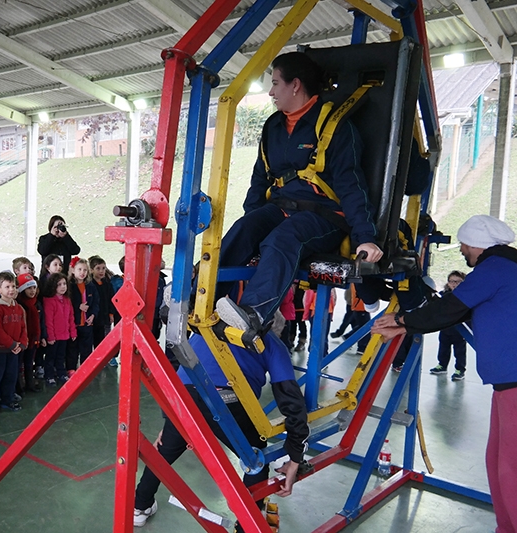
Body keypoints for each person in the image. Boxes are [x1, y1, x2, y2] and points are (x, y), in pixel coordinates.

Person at [213, 52, 382, 351]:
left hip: (325, 215)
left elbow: (351, 185)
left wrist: (365, 238)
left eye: (276, 83)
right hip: (280, 208)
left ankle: (253, 314)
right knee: (243, 229)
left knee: (283, 239)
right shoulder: (272, 128)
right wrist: (254, 225)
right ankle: (201, 298)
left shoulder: (334, 127)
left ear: (295, 85)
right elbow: (259, 180)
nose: (271, 91)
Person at [372, 214, 517, 533]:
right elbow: (455, 310)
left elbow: (451, 307)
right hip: (506, 382)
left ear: (478, 244)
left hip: (514, 381)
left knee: (511, 467)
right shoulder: (505, 268)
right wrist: (405, 322)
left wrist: (402, 322)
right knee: (497, 460)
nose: (463, 251)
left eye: (465, 245)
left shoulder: (494, 268)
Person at [132, 332, 309, 529]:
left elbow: (179, 372)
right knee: (256, 456)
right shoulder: (271, 340)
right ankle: (248, 525)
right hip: (227, 398)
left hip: (184, 396)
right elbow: (290, 399)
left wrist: (170, 418)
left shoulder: (205, 323)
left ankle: (140, 506)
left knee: (166, 450)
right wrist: (295, 455)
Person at [0, 271, 27, 418]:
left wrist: (22, 344)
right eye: (7, 286)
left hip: (13, 351)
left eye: (13, 286)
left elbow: (22, 327)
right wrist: (12, 344)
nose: (11, 290)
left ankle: (7, 400)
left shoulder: (18, 308)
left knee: (10, 376)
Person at [429, 271, 468, 381]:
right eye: (452, 281)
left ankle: (460, 370)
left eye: (458, 282)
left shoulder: (466, 296)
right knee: (443, 348)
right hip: (445, 328)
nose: (454, 284)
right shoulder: (443, 295)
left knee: (459, 351)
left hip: (460, 330)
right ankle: (442, 365)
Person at [42, 272, 76, 387]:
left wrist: (73, 331)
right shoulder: (49, 301)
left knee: (61, 356)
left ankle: (61, 373)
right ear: (53, 286)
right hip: (54, 337)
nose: (63, 287)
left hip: (64, 335)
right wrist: (50, 336)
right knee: (50, 357)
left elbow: (71, 317)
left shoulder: (67, 300)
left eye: (64, 284)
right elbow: (49, 321)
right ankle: (49, 375)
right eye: (59, 284)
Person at [66, 257, 98, 375]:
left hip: (87, 323)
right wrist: (78, 306)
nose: (82, 272)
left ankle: (86, 369)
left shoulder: (90, 286)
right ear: (73, 270)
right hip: (74, 323)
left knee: (86, 348)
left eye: (85, 270)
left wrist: (93, 315)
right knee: (72, 348)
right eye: (79, 269)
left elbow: (95, 302)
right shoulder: (69, 286)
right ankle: (71, 368)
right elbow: (67, 303)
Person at [16, 273, 44, 394]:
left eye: (34, 287)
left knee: (29, 362)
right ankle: (18, 387)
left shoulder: (36, 303)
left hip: (33, 338)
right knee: (18, 364)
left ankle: (29, 383)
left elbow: (40, 321)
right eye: (28, 288)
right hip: (22, 339)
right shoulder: (19, 304)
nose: (32, 291)